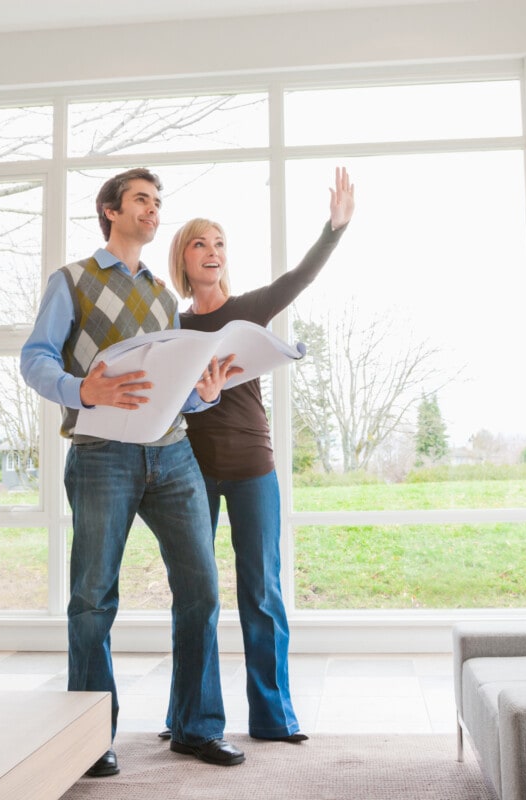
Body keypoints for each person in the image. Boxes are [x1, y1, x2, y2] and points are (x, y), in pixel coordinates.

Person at [20, 167, 247, 776]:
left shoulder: (163, 296)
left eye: (157, 202)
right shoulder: (72, 280)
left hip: (173, 452)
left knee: (200, 589)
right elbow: (34, 358)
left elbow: (169, 385)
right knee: (93, 598)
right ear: (111, 211)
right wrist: (81, 389)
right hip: (101, 454)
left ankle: (196, 727)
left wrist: (203, 393)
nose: (153, 210)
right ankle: (90, 736)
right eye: (142, 200)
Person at [164, 166, 355, 742]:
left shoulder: (248, 309)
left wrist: (334, 228)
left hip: (252, 469)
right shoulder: (170, 327)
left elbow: (299, 277)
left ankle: (274, 718)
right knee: (194, 597)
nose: (212, 250)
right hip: (190, 473)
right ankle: (186, 717)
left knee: (261, 593)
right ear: (184, 258)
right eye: (200, 242)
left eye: (220, 242)